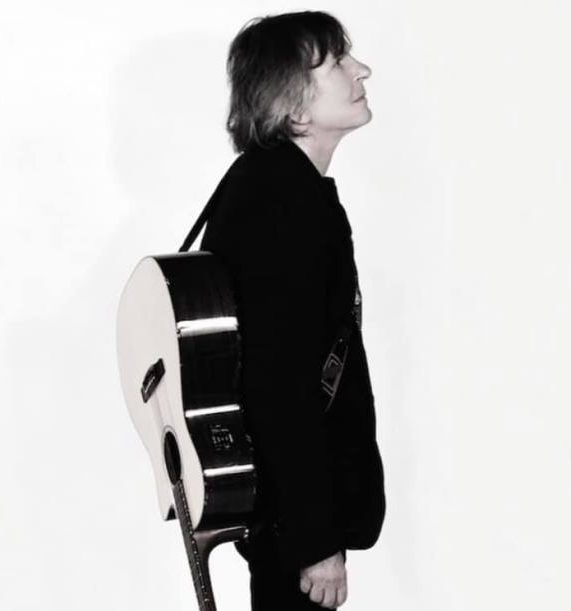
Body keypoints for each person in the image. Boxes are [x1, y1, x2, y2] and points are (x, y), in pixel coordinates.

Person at [197, 11, 386, 610]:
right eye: (337, 62)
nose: (362, 70)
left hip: (286, 511)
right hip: (292, 524)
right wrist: (314, 539)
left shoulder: (276, 186)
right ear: (292, 103)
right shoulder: (281, 202)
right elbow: (275, 383)